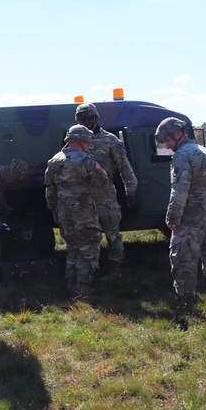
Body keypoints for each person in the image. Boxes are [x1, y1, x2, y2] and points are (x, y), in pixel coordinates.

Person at [155, 117, 206, 323]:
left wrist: (172, 217)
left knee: (183, 260)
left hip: (189, 217)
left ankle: (186, 307)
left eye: (167, 140)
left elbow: (179, 190)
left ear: (178, 134)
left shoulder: (183, 156)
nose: (167, 145)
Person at [75, 102, 138, 279]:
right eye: (82, 118)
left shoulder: (110, 140)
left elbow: (124, 167)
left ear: (95, 117)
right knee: (86, 234)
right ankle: (89, 270)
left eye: (88, 117)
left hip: (105, 194)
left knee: (112, 234)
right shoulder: (74, 139)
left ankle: (114, 270)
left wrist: (130, 191)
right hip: (83, 196)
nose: (86, 121)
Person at [45, 125, 108, 298]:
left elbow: (49, 190)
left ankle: (70, 283)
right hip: (83, 208)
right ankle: (83, 289)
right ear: (82, 141)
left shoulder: (53, 161)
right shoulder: (85, 160)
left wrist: (54, 210)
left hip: (63, 209)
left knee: (72, 246)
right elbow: (102, 181)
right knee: (88, 246)